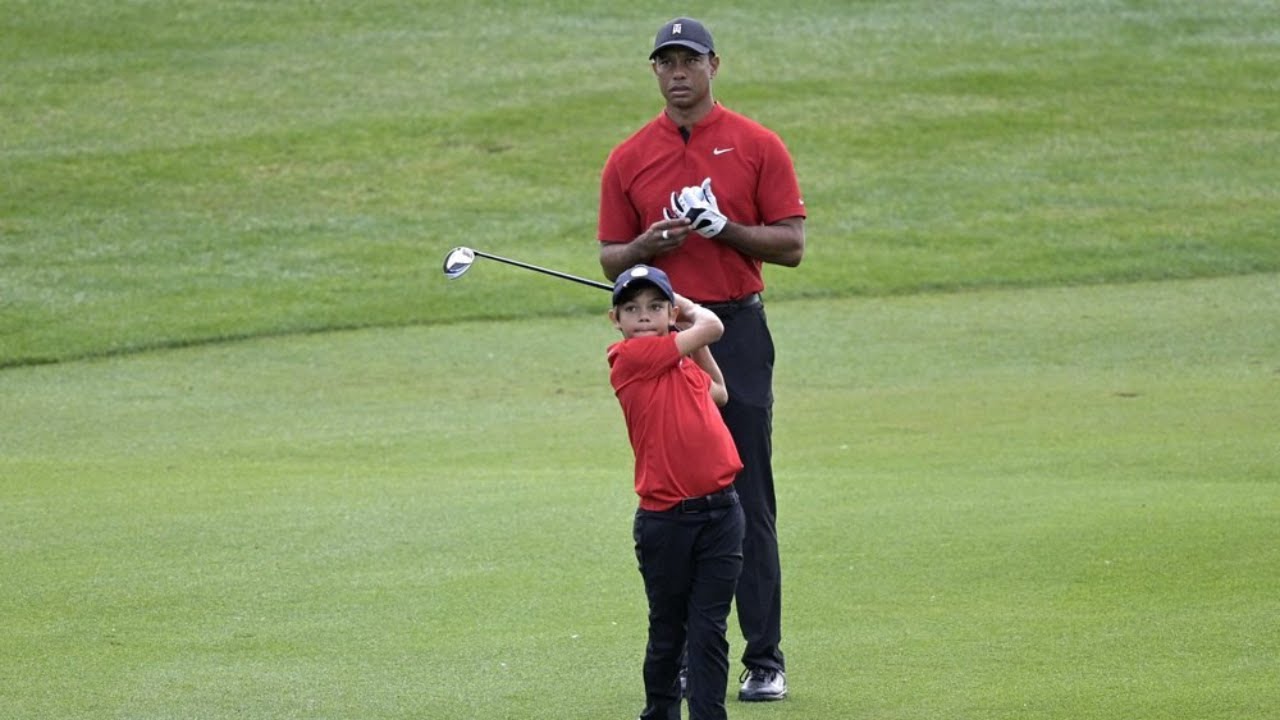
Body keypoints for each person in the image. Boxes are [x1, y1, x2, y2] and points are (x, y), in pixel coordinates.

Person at [596, 16, 805, 702]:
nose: (678, 72)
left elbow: (791, 245)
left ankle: (764, 658)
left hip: (735, 328)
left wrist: (726, 230)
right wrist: (647, 247)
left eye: (690, 60)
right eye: (667, 62)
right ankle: (690, 656)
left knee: (748, 495)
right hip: (663, 341)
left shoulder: (757, 144)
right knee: (679, 493)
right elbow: (611, 258)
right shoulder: (629, 158)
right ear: (654, 71)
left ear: (714, 65)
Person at [607, 264, 746, 720]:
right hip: (665, 520)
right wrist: (687, 309)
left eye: (654, 307)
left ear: (667, 315)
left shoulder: (681, 365)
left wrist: (689, 334)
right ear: (616, 321)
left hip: (722, 513)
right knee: (669, 632)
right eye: (631, 309)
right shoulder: (630, 359)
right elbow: (714, 325)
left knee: (709, 630)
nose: (643, 316)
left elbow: (720, 392)